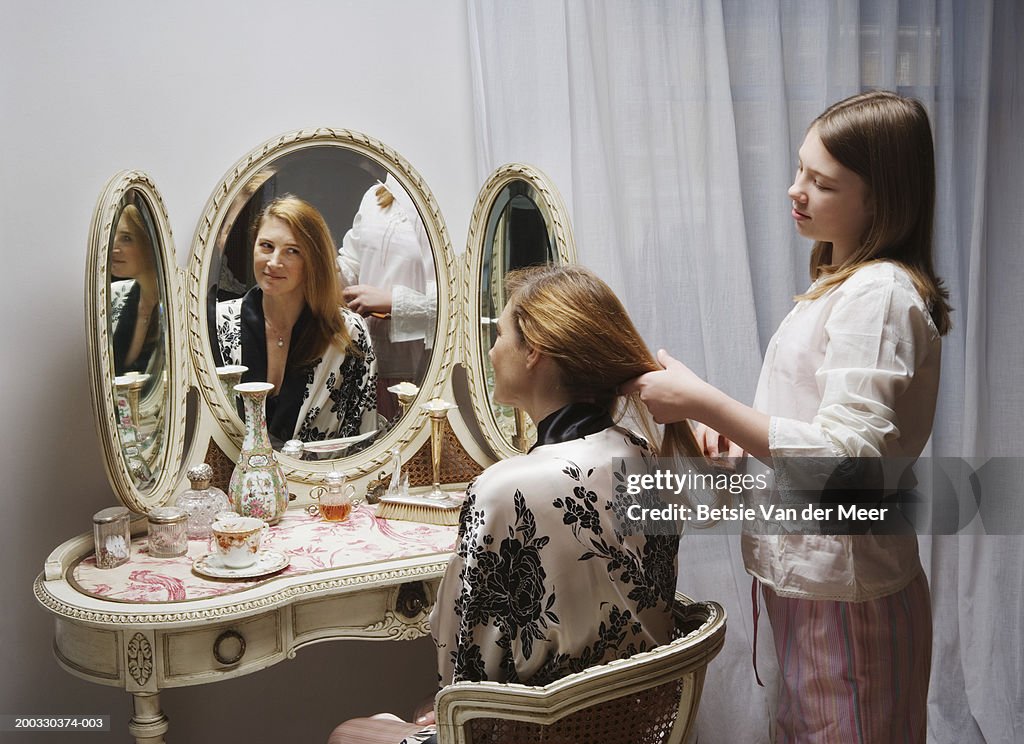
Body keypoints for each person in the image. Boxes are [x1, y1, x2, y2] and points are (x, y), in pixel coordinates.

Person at [625, 90, 951, 742]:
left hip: (845, 590)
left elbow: (853, 463)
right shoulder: (841, 286)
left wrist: (705, 402)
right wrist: (733, 436)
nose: (795, 190)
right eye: (799, 168)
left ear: (881, 199)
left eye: (822, 182)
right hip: (815, 584)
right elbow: (811, 429)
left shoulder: (879, 294)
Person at [327, 264, 704, 744]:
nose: (491, 348)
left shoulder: (505, 488)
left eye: (500, 334)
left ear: (535, 353)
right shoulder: (643, 452)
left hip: (538, 733)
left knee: (351, 732)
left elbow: (461, 676)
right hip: (630, 725)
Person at [215, 195, 378, 446]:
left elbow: (363, 438)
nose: (274, 262)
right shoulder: (219, 323)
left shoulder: (348, 334)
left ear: (313, 261)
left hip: (324, 483)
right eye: (266, 246)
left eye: (292, 251)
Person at [337, 175, 436, 420]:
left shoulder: (441, 206)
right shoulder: (375, 196)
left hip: (419, 364)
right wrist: (326, 267)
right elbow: (352, 263)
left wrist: (393, 302)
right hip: (364, 356)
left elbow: (457, 301)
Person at [110, 203, 162, 376]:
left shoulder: (175, 305)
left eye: (126, 238)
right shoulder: (116, 296)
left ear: (150, 244)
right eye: (113, 236)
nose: (113, 249)